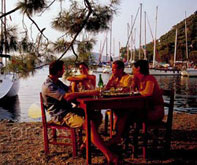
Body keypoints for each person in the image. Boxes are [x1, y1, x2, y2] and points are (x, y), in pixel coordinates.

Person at [42, 60, 119, 164]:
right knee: (89, 124)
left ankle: (85, 143)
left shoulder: (57, 82)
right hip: (61, 115)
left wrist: (76, 87)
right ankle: (109, 155)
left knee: (97, 116)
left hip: (69, 110)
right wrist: (91, 92)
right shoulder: (48, 86)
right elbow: (68, 96)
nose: (64, 71)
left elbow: (70, 91)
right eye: (63, 69)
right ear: (58, 71)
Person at [105, 60, 133, 144]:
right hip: (117, 103)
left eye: (114, 69)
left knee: (121, 113)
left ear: (121, 69)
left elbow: (126, 91)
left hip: (128, 104)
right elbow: (107, 89)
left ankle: (117, 136)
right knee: (117, 111)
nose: (112, 71)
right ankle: (118, 135)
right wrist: (111, 80)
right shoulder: (114, 77)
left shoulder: (128, 78)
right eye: (112, 69)